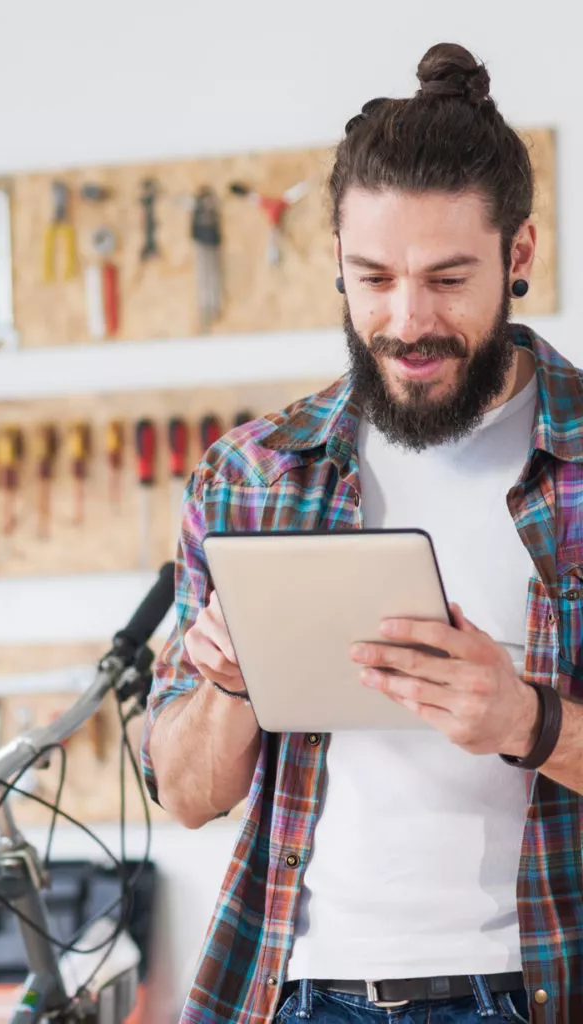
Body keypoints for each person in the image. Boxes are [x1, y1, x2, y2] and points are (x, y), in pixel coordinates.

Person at [141, 42, 583, 1024]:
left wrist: (527, 721)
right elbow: (184, 793)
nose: (405, 320)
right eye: (372, 277)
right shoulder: (253, 473)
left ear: (519, 256)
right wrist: (231, 685)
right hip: (294, 994)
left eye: (446, 278)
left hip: (530, 991)